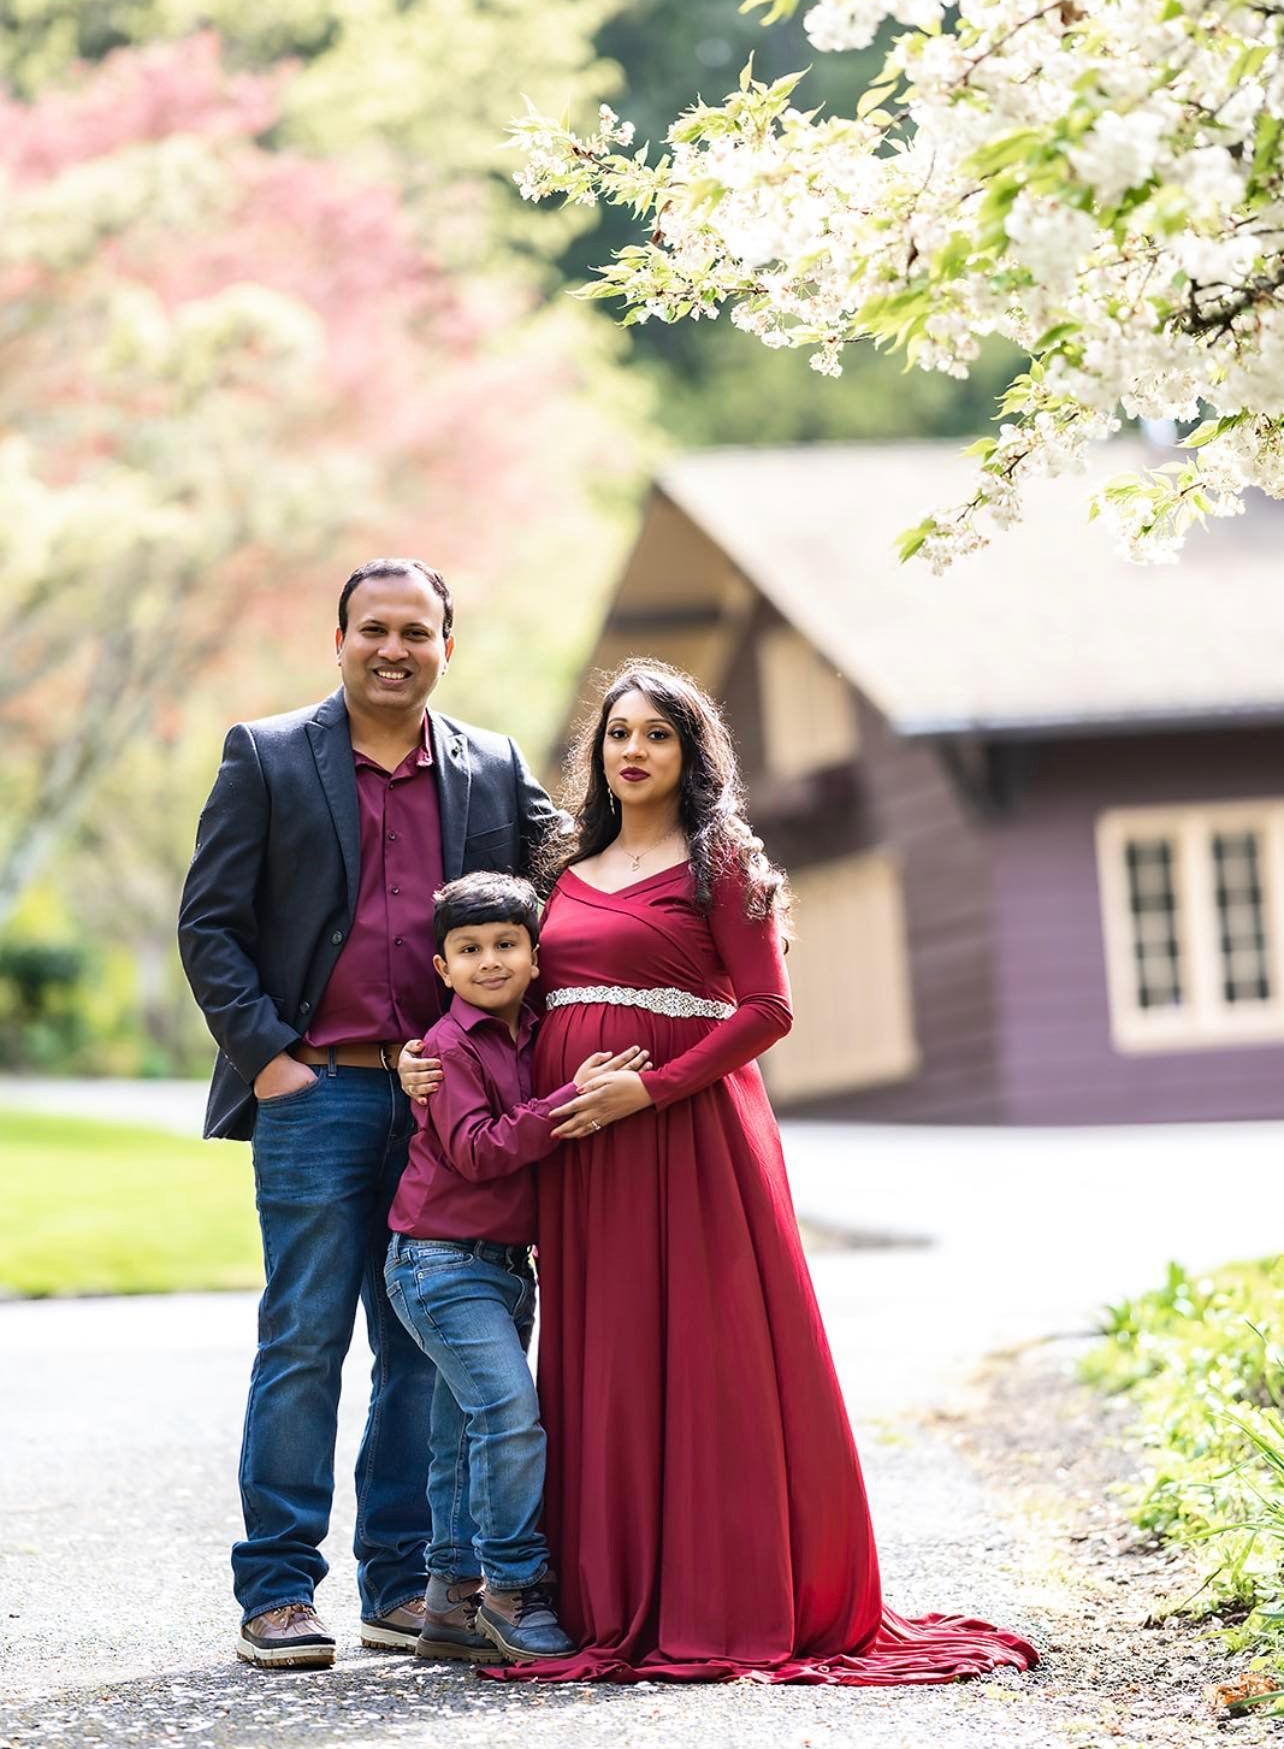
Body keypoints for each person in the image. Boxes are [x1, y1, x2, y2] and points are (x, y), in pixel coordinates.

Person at [401, 658, 1038, 1685]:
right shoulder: (561, 864)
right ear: (596, 753)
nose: (635, 750)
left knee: (713, 1353)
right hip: (585, 1161)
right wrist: (419, 1054)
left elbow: (767, 1010)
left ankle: (726, 1587)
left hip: (692, 1140)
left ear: (690, 752)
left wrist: (648, 1091)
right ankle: (611, 1593)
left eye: (658, 733)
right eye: (618, 734)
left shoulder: (723, 859)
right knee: (605, 1361)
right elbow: (499, 988)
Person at [177, 557, 560, 1670]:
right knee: (304, 1335)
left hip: (448, 1101)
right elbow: (210, 925)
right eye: (374, 628)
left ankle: (403, 1587)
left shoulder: (491, 766)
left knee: (421, 1349)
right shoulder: (267, 754)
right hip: (319, 1088)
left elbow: (576, 882)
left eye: (418, 631)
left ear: (450, 645)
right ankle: (279, 1590)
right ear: (339, 639)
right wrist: (273, 1060)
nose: (395, 647)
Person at [384, 870, 649, 1666]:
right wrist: (571, 1099)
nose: (489, 961)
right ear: (442, 968)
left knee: (464, 1432)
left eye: (506, 945)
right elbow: (476, 1149)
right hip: (437, 1262)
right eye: (469, 949)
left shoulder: (542, 1032)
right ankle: (511, 1586)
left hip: (503, 1266)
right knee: (508, 1415)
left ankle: (448, 1599)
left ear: (537, 956)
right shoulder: (443, 1049)